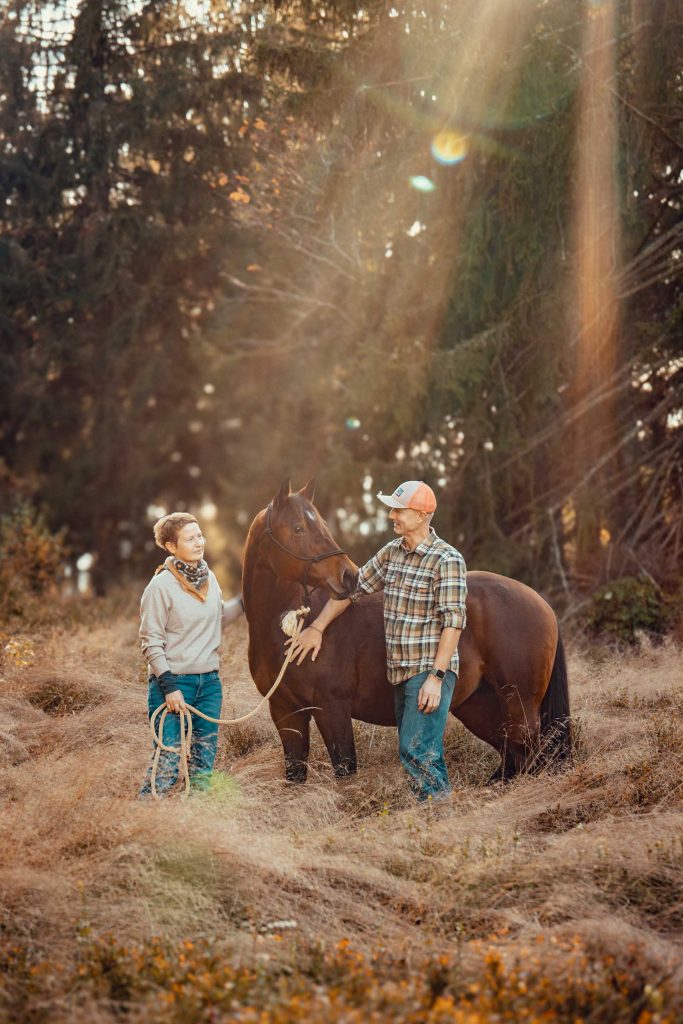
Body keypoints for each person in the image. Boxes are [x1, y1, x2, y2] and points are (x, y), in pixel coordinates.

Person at [289, 481, 467, 802]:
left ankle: (440, 822)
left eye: (398, 510)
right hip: (399, 671)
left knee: (418, 751)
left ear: (421, 515)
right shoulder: (391, 552)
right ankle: (429, 817)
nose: (391, 515)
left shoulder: (447, 560)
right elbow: (352, 590)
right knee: (413, 750)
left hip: (427, 671)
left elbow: (453, 623)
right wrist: (316, 628)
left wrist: (436, 679)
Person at [138, 512, 240, 797]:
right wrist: (169, 687)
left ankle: (194, 826)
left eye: (200, 535)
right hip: (172, 686)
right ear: (171, 547)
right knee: (168, 764)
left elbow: (219, 617)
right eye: (190, 538)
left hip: (209, 686)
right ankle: (144, 818)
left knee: (203, 765)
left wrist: (246, 601)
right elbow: (150, 641)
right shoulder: (160, 587)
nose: (199, 542)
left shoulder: (211, 579)